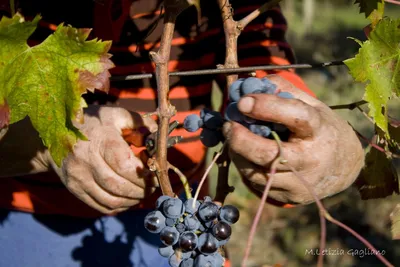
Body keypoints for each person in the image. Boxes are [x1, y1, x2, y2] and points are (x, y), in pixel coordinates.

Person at [0, 0, 364, 266]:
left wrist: (319, 144)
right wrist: (51, 140)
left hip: (183, 220)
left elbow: (258, 59)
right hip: (20, 217)